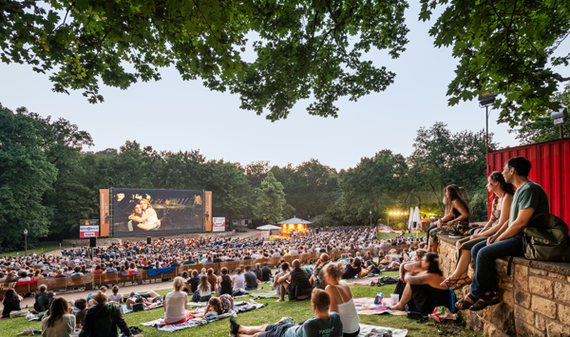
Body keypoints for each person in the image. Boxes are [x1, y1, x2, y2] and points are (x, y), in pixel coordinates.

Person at [456, 156, 550, 311]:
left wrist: (499, 238)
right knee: (475, 249)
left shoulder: (530, 189)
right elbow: (509, 221)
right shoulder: (520, 190)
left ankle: (474, 294)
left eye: (505, 169)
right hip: (515, 235)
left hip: (526, 238)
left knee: (484, 253)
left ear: (512, 171)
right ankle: (489, 293)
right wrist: (496, 236)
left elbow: (521, 223)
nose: (503, 172)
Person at [441, 171, 514, 290]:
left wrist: (482, 235)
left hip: (498, 233)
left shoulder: (507, 198)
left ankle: (456, 276)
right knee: (460, 243)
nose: (487, 185)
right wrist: (480, 233)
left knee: (467, 246)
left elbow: (502, 224)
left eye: (489, 183)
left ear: (496, 183)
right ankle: (463, 276)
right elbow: (491, 221)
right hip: (491, 230)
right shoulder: (496, 199)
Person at [229, 289, 343, 337]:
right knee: (264, 327)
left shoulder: (311, 325)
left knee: (256, 336)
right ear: (329, 304)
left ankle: (238, 334)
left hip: (283, 334)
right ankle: (238, 328)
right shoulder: (335, 317)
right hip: (289, 328)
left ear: (313, 306)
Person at [427, 185, 471, 252]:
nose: (446, 193)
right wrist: (440, 220)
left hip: (461, 226)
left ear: (451, 192)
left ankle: (433, 254)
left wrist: (454, 221)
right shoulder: (452, 202)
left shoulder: (456, 201)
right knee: (431, 231)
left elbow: (465, 215)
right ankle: (429, 251)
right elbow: (451, 214)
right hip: (455, 225)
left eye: (447, 192)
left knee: (432, 232)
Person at [323, 262, 360, 337]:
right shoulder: (344, 282)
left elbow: (333, 314)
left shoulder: (330, 288)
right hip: (356, 328)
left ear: (328, 275)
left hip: (346, 332)